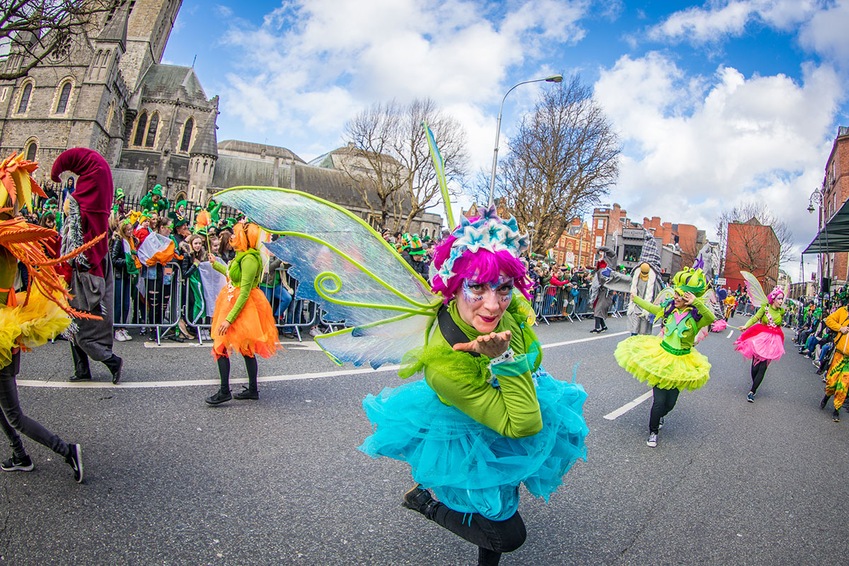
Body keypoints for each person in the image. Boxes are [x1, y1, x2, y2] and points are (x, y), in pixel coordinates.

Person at [359, 208, 588, 565]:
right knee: (507, 533)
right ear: (454, 286)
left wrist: (509, 357)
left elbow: (536, 355)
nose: (493, 305)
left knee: (501, 492)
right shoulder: (445, 366)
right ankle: (426, 504)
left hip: (507, 411)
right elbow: (522, 425)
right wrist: (505, 359)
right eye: (477, 287)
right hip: (466, 433)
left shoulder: (507, 309)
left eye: (503, 288)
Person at [0, 152, 84, 482]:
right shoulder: (10, 233)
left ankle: (66, 450)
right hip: (8, 326)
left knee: (14, 414)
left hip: (3, 333)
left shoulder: (6, 236)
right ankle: (20, 454)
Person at [614, 267, 715, 447]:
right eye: (675, 293)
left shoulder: (697, 317)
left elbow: (710, 317)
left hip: (681, 362)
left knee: (670, 403)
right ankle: (653, 431)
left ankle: (661, 417)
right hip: (662, 357)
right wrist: (635, 299)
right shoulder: (669, 309)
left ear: (688, 298)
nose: (675, 297)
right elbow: (653, 308)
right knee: (659, 401)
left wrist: (696, 302)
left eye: (680, 295)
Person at [52, 148, 123, 385]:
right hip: (77, 268)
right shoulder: (87, 198)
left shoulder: (85, 204)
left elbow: (80, 241)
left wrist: (77, 265)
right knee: (71, 323)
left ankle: (111, 360)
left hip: (85, 270)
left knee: (84, 323)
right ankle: (82, 368)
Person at [205, 221, 278, 404]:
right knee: (242, 349)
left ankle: (225, 391)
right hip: (232, 301)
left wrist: (228, 320)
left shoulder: (250, 259)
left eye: (236, 234)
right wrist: (217, 265)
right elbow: (233, 276)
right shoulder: (242, 256)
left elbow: (244, 292)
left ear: (246, 239)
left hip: (242, 307)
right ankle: (251, 389)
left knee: (224, 346)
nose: (232, 237)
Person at [734, 283, 786, 403]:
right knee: (755, 367)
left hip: (773, 341)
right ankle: (755, 383)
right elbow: (755, 318)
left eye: (782, 299)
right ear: (773, 299)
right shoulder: (765, 308)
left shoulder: (781, 312)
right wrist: (746, 326)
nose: (781, 301)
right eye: (779, 298)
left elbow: (779, 325)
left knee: (763, 367)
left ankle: (752, 391)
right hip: (761, 338)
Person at [820, 299, 849, 422]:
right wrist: (840, 328)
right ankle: (827, 396)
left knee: (843, 385)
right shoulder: (843, 311)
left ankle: (837, 409)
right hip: (838, 355)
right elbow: (829, 320)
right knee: (832, 381)